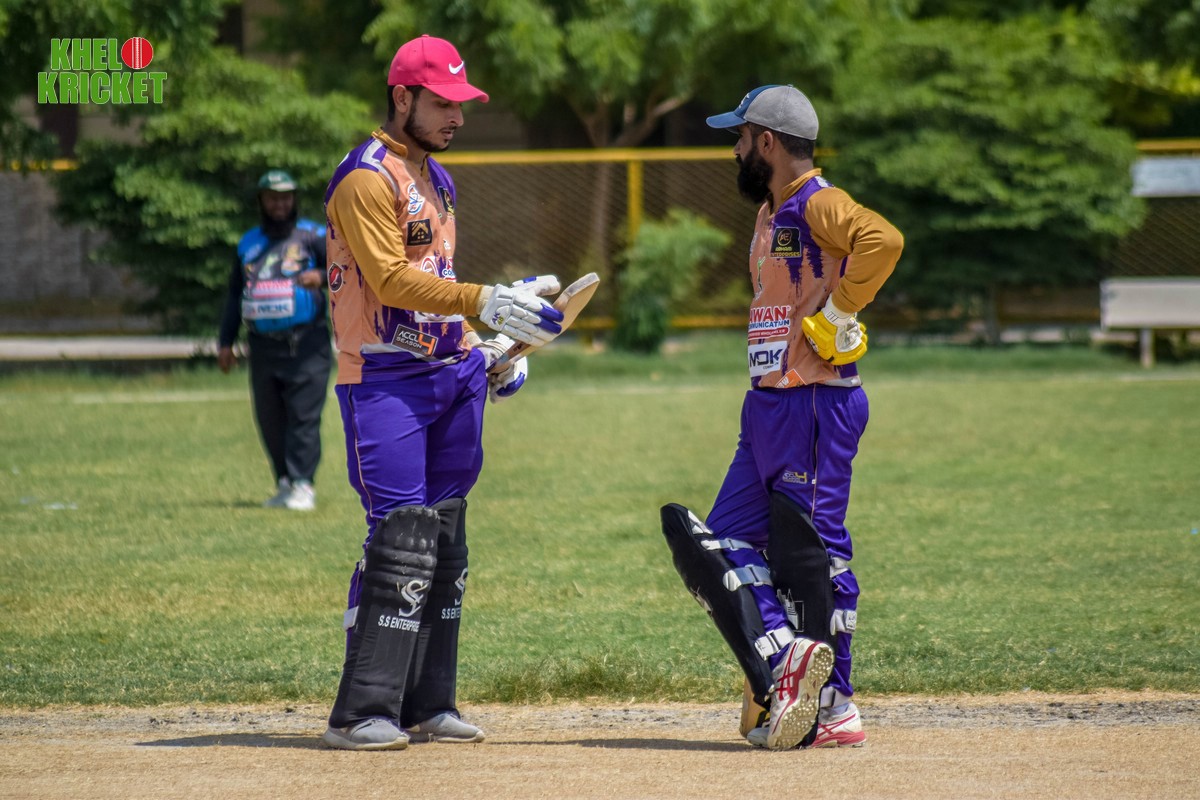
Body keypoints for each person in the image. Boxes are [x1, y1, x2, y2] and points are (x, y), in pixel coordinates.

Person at [318, 34, 564, 751]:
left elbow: (436, 283)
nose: (457, 116)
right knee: (399, 537)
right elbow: (391, 281)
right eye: (443, 103)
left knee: (445, 541)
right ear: (402, 97)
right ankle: (360, 712)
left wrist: (486, 350)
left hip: (449, 377)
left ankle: (429, 703)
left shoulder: (437, 176)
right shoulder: (365, 179)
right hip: (383, 380)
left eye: (462, 103)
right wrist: (485, 300)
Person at [661, 84, 903, 751]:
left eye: (740, 137)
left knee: (814, 551)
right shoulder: (770, 213)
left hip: (816, 400)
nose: (735, 150)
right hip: (768, 403)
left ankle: (834, 704)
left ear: (766, 141)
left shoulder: (816, 201)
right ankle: (782, 664)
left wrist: (840, 312)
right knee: (722, 545)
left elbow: (882, 239)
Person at [218, 169, 332, 512]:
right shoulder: (248, 243)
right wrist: (225, 342)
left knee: (303, 416)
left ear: (294, 200)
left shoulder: (314, 236)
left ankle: (303, 484)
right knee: (270, 419)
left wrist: (321, 276)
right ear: (261, 201)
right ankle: (284, 482)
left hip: (307, 343)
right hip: (263, 345)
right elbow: (235, 293)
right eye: (272, 198)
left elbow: (349, 270)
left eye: (285, 198)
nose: (279, 204)